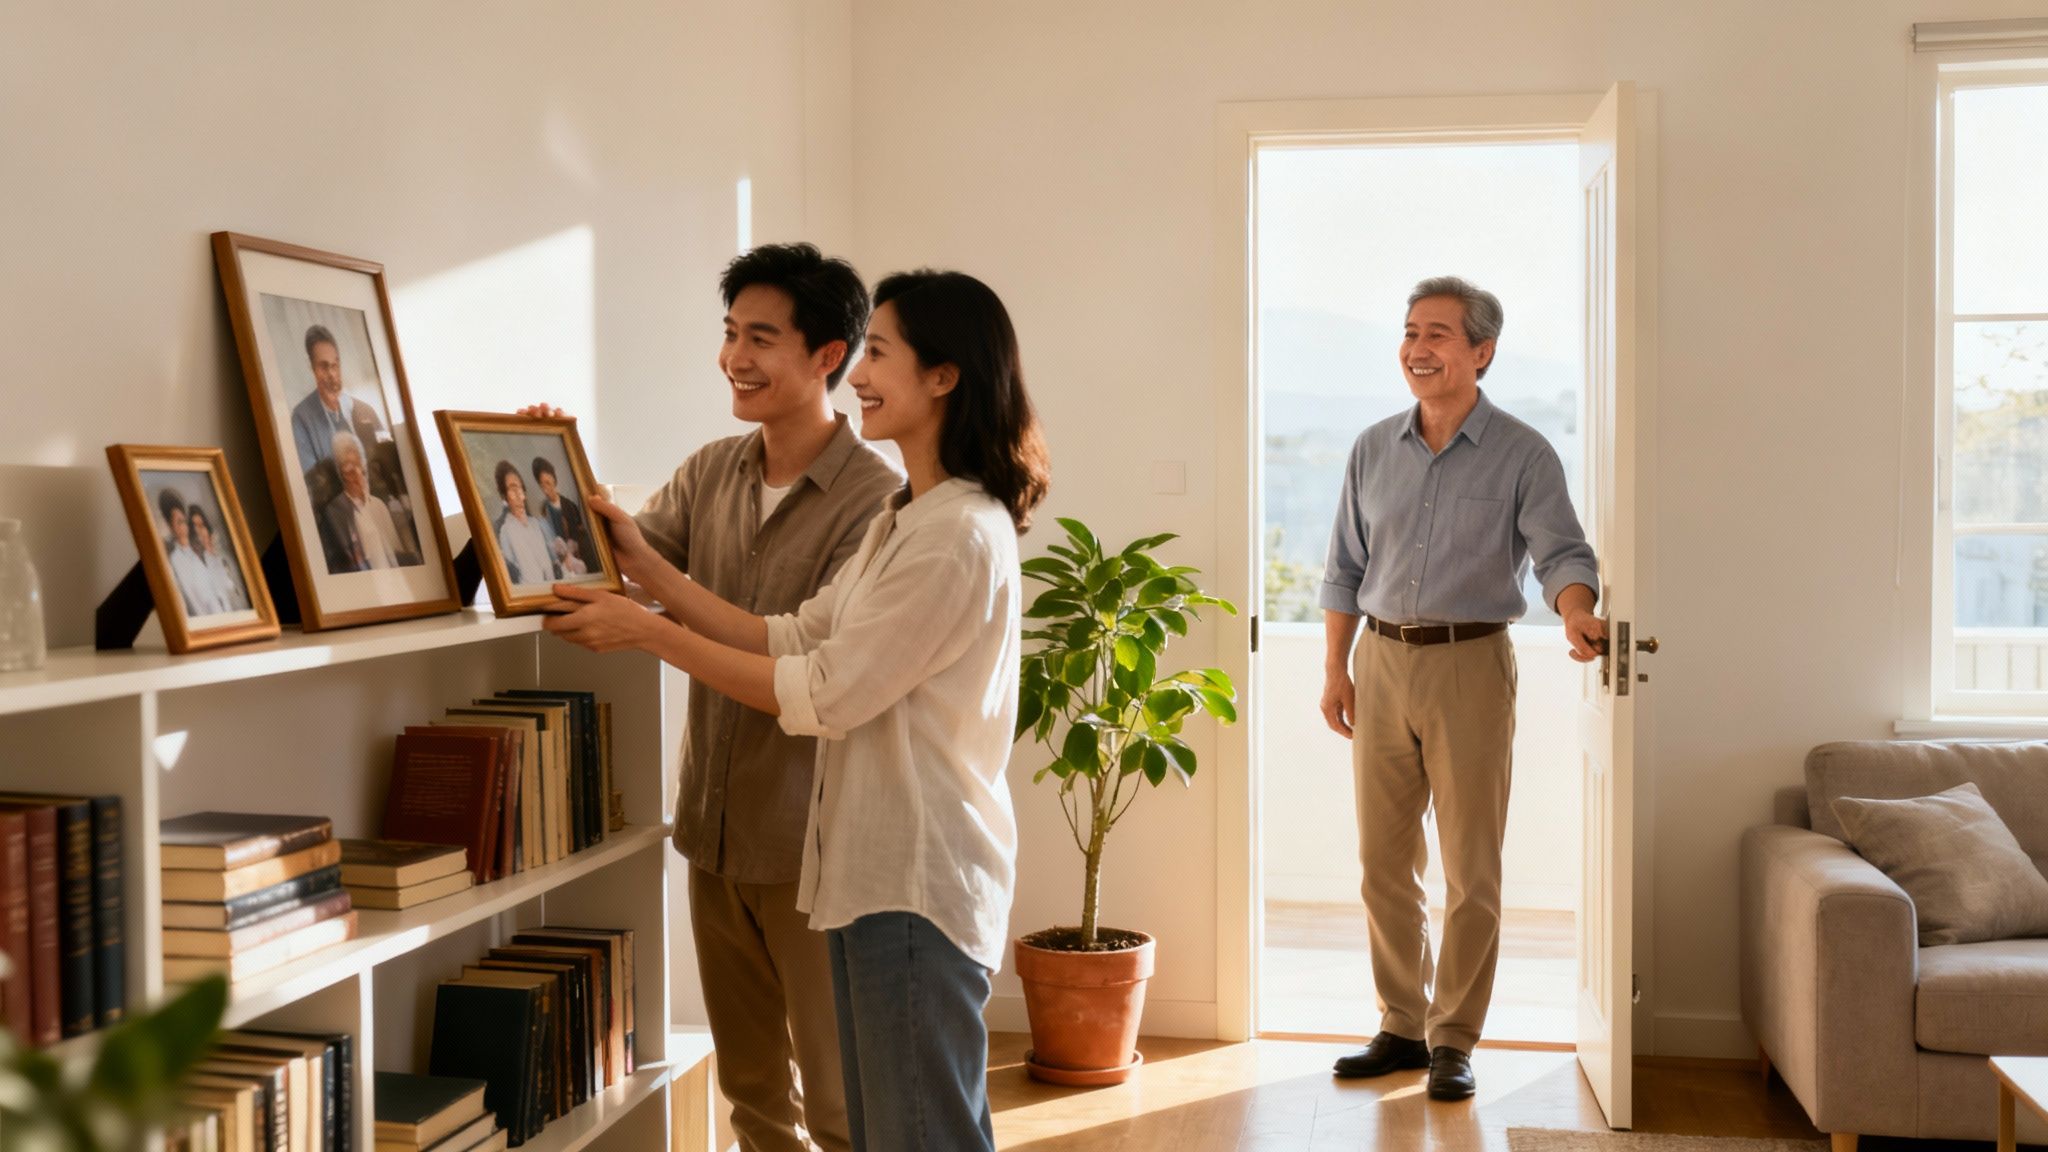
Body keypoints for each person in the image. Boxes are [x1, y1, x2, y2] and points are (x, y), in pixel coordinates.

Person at [544, 268, 1050, 1152]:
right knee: (905, 1127)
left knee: (910, 1133)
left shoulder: (955, 533)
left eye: (879, 354)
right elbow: (792, 635)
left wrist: (647, 632)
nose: (860, 375)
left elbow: (824, 692)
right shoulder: (910, 516)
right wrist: (647, 573)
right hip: (864, 873)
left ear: (945, 376)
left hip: (914, 881)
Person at [523, 242, 899, 1152]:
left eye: (761, 338)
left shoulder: (878, 503)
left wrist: (650, 613)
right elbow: (620, 569)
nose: (735, 357)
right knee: (752, 1095)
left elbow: (812, 666)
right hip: (714, 832)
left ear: (828, 358)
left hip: (813, 845)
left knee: (843, 1106)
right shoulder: (709, 473)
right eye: (730, 333)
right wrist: (549, 466)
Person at [1320, 276, 1604, 1101]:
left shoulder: (1523, 452)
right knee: (1382, 860)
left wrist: (1578, 611)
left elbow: (1561, 555)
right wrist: (1335, 667)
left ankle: (1453, 1037)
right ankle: (1400, 1025)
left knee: (1470, 866)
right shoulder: (1373, 447)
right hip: (1379, 660)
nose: (1419, 347)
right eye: (1411, 331)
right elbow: (1343, 568)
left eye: (1439, 333)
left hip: (1471, 665)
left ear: (1482, 352)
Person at [289, 324, 385, 472]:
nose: (332, 374)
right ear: (312, 367)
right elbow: (313, 482)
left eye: (335, 365)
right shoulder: (301, 418)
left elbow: (387, 463)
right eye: (324, 366)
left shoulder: (365, 410)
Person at [318, 432, 405, 573]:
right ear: (341, 473)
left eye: (360, 466)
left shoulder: (379, 505)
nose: (358, 475)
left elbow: (397, 553)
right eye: (350, 470)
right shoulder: (334, 512)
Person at [158, 489, 228, 618]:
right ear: (171, 526)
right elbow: (193, 601)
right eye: (178, 522)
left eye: (184, 521)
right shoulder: (176, 560)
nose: (184, 526)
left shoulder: (197, 552)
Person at [491, 459, 559, 587]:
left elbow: (551, 560)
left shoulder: (536, 524)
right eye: (512, 489)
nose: (519, 494)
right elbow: (512, 571)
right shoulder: (506, 530)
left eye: (521, 488)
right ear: (505, 496)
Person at [531, 456, 597, 574]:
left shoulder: (570, 506)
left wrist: (573, 549)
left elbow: (581, 537)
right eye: (542, 485)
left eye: (548, 483)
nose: (546, 489)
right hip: (561, 564)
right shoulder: (543, 510)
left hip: (578, 561)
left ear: (554, 480)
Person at [187, 505, 250, 612]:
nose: (200, 532)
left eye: (201, 525)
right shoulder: (201, 563)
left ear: (207, 527)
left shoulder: (224, 555)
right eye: (195, 528)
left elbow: (239, 586)